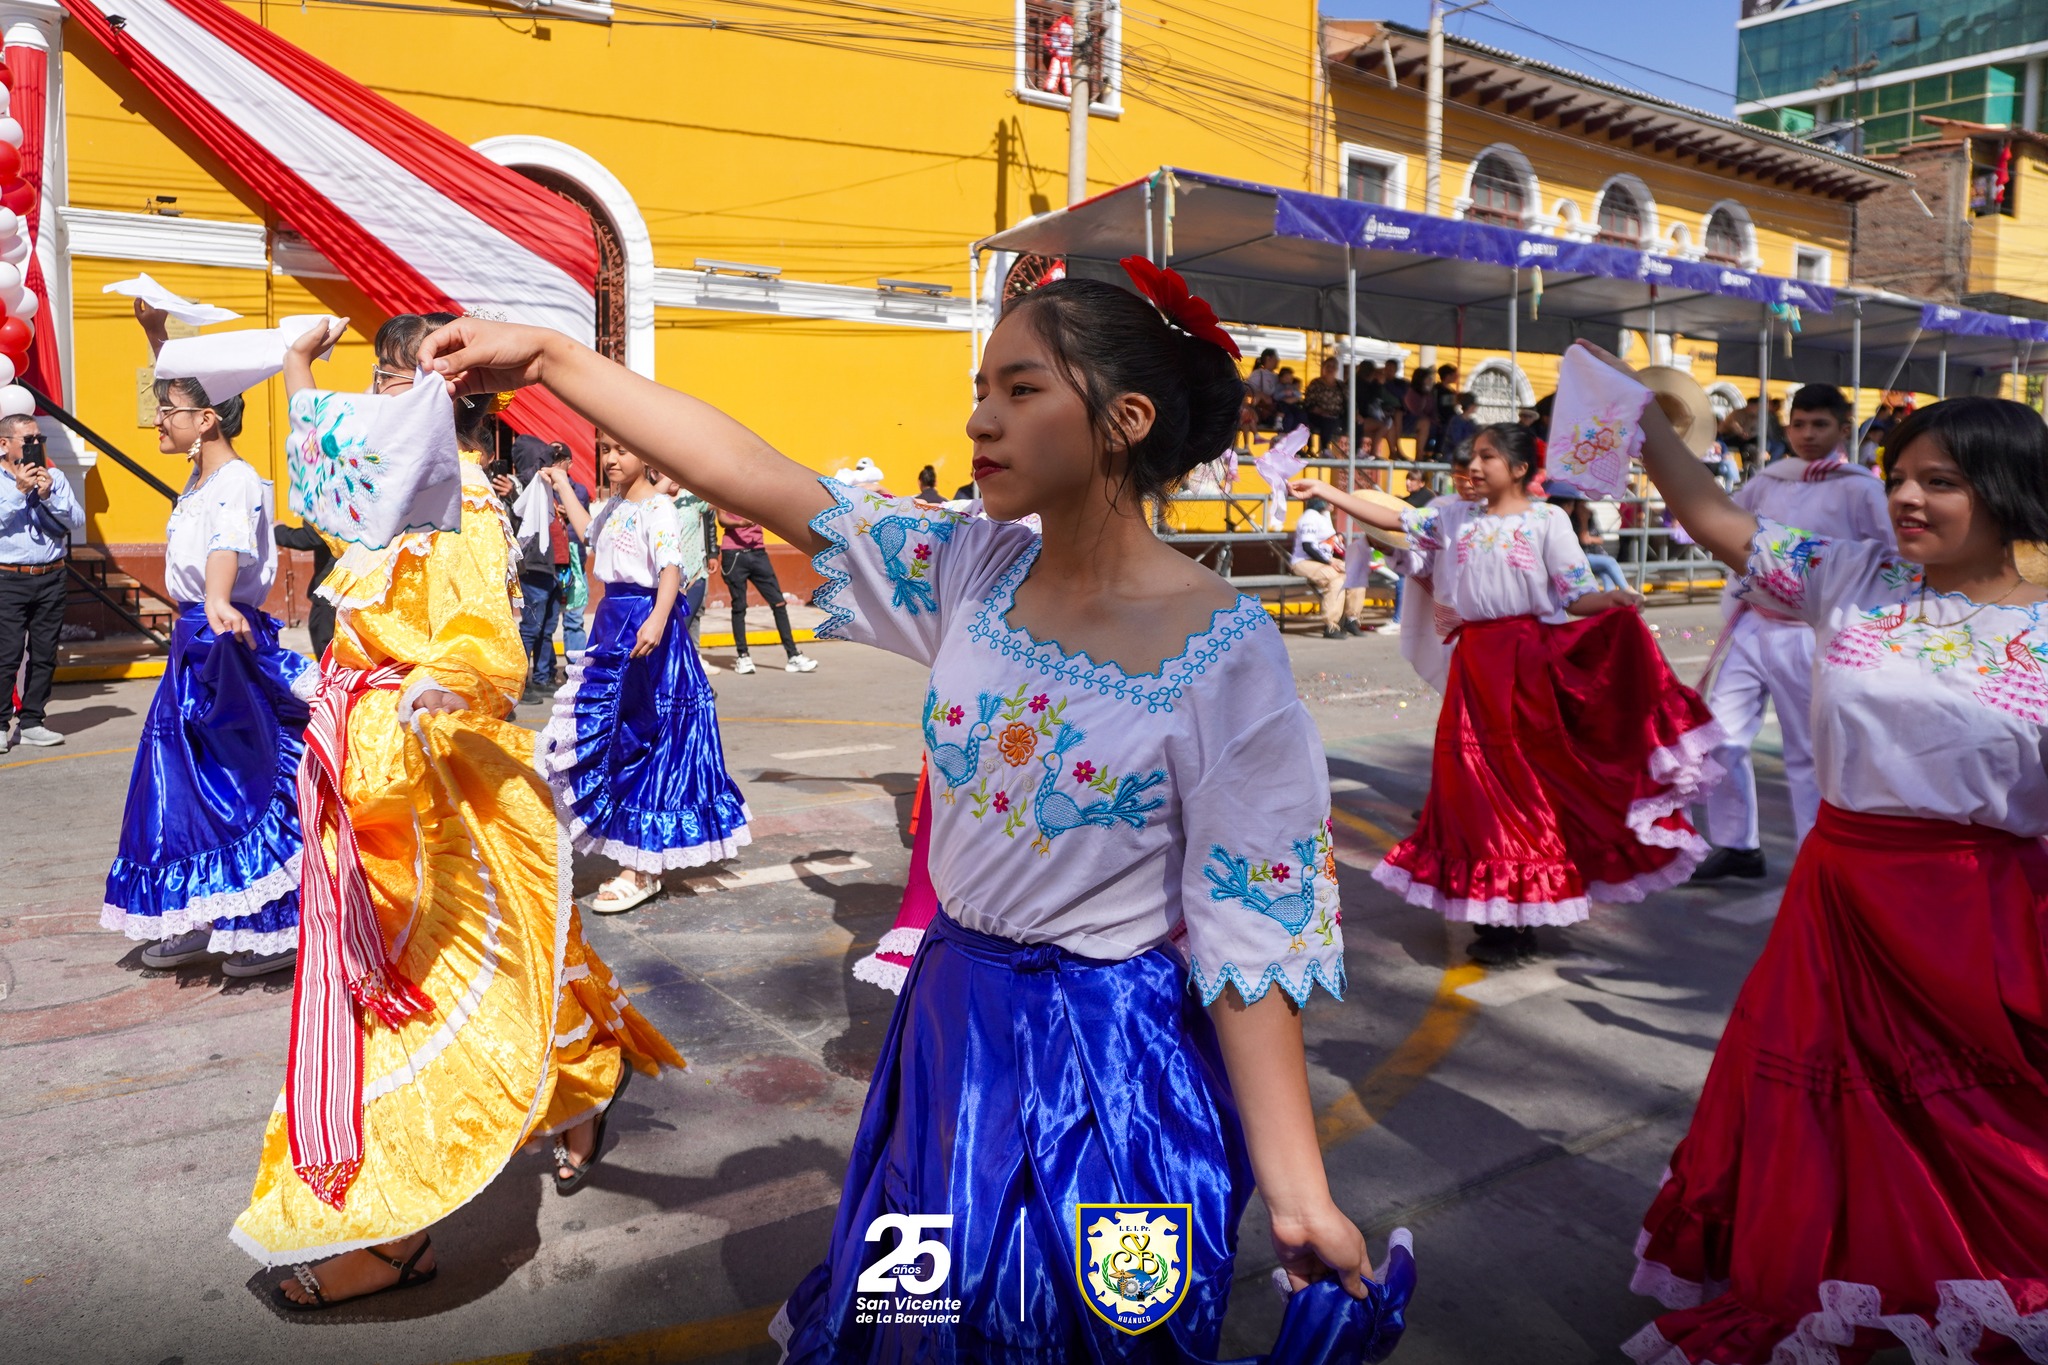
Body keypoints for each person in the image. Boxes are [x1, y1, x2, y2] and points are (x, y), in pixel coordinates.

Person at [416, 264, 1415, 1361]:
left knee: (1080, 1335)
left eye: (1020, 389)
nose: (980, 419)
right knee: (915, 1321)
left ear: (1124, 420)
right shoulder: (969, 572)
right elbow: (754, 472)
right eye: (981, 389)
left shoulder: (1227, 653)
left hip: (1114, 1070)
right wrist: (552, 356)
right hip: (949, 1033)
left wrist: (1298, 1193)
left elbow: (1251, 936)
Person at [1587, 352, 2048, 1365]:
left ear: (2007, 490)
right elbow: (1711, 515)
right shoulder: (1852, 577)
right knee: (1822, 1115)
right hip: (1838, 902)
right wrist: (1643, 418)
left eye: (1938, 481)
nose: (1905, 498)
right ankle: (1831, 1274)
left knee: (1975, 1124)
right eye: (1898, 476)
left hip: (1976, 920)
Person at [238, 313, 684, 1308]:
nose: (371, 399)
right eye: (372, 381)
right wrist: (298, 364)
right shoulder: (387, 489)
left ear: (447, 396)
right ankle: (583, 1077)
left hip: (427, 782)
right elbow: (320, 458)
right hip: (363, 769)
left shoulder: (463, 503)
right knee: (489, 968)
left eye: (389, 382)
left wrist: (443, 685)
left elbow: (484, 643)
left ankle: (395, 1233)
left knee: (418, 996)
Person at [1293, 423, 1722, 967]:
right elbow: (1394, 519)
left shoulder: (1548, 520)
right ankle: (1494, 912)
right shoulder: (1454, 517)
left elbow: (1576, 595)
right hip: (1474, 666)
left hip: (1527, 668)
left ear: (1519, 469)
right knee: (1472, 787)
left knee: (1527, 787)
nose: (1473, 467)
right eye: (1473, 456)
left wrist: (1612, 601)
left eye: (1487, 457)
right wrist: (1325, 490)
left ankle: (1520, 912)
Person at [100, 303, 311, 978]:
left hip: (223, 643)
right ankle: (196, 912)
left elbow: (228, 543)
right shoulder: (202, 477)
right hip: (196, 641)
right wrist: (156, 335)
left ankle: (266, 922)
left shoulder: (237, 480)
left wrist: (218, 598)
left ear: (208, 420)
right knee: (180, 786)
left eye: (171, 411)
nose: (159, 419)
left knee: (235, 785)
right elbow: (185, 385)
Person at [1692, 382, 1893, 884]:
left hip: (1810, 631)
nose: (1807, 434)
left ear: (1843, 429)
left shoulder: (1860, 488)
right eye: (1799, 424)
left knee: (1807, 752)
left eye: (1819, 424)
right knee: (1720, 736)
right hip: (1753, 623)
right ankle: (1737, 844)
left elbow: (1891, 557)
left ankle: (1813, 859)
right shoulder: (1771, 479)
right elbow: (1726, 522)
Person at [539, 438, 751, 914]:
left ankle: (642, 867)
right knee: (608, 738)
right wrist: (561, 483)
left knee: (647, 739)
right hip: (612, 625)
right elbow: (589, 533)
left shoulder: (659, 507)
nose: (612, 459)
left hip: (644, 629)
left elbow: (671, 566)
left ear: (646, 458)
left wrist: (656, 619)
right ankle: (633, 854)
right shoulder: (614, 507)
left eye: (622, 450)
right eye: (606, 450)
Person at [0, 413, 82, 751]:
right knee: (6, 654)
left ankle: (32, 722)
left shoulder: (55, 477)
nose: (36, 445)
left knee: (45, 654)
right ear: (4, 444)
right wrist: (19, 492)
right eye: (28, 440)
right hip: (9, 577)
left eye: (39, 439)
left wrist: (49, 496)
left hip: (51, 575)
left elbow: (76, 520)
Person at [717, 509, 818, 674]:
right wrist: (741, 523)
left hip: (758, 552)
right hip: (734, 554)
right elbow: (721, 518)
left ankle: (793, 655)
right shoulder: (727, 493)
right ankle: (743, 656)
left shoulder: (757, 494)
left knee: (779, 603)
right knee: (739, 606)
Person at [1287, 494, 1368, 639]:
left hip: (1324, 560)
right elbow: (1308, 546)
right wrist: (1330, 562)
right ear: (1319, 502)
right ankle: (1331, 626)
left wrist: (1338, 539)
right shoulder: (1309, 517)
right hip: (1304, 562)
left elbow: (1329, 541)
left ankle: (1351, 619)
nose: (1332, 503)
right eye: (1329, 500)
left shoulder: (1324, 516)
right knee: (1337, 580)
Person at [1546, 481, 1629, 592]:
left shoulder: (1589, 516)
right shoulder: (1565, 519)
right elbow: (1584, 539)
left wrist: (1589, 534)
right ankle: (1627, 590)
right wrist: (1583, 521)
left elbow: (1599, 539)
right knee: (1609, 562)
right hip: (1576, 557)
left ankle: (1611, 596)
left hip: (1590, 554)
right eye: (1580, 503)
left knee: (1605, 573)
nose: (1585, 506)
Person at [272, 520, 338, 661]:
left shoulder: (330, 507)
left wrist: (278, 531)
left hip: (332, 586)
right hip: (349, 583)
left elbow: (313, 538)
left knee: (326, 643)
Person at [1303, 356, 1346, 453]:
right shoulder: (1316, 383)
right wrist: (1321, 411)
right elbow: (1308, 403)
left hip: (1337, 416)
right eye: (1328, 366)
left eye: (1333, 366)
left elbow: (1347, 401)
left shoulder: (1341, 385)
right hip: (1317, 415)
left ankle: (1356, 450)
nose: (1330, 368)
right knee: (1325, 421)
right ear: (1323, 368)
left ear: (1337, 369)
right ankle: (1323, 448)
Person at [1244, 345, 1281, 426]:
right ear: (1268, 358)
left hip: (1274, 411)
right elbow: (1247, 391)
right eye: (1276, 357)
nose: (1278, 360)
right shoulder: (1258, 373)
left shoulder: (1277, 377)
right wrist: (1261, 395)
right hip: (1261, 410)